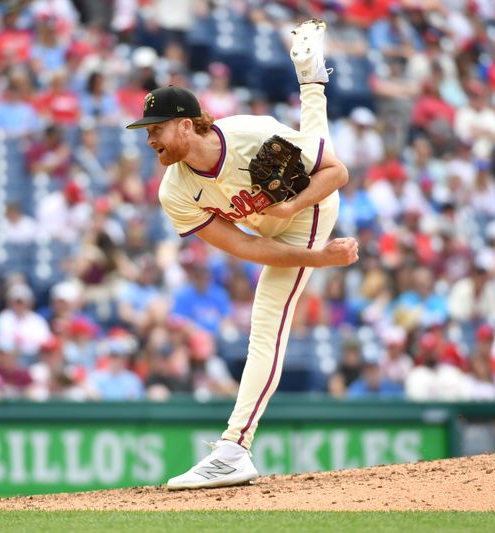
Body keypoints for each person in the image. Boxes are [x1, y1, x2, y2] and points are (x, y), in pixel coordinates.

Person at [126, 19, 358, 490]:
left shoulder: (252, 135)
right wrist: (321, 260)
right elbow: (245, 246)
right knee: (310, 145)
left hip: (309, 206)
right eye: (146, 129)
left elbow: (336, 172)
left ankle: (234, 447)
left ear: (186, 124)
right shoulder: (175, 190)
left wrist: (292, 205)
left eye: (157, 128)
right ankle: (312, 77)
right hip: (267, 224)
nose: (149, 138)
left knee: (266, 324)